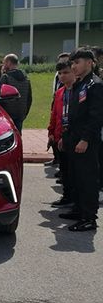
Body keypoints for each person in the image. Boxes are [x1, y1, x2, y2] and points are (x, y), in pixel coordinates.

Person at [58, 49, 103, 231]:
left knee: (87, 180)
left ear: (89, 63)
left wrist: (85, 139)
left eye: (77, 63)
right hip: (72, 139)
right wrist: (65, 136)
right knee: (75, 178)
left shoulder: (95, 85)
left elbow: (96, 117)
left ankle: (89, 218)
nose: (74, 66)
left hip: (85, 142)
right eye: (73, 63)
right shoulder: (80, 84)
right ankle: (78, 209)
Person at [48, 61, 75, 208]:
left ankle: (77, 200)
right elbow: (55, 114)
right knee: (64, 170)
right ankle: (67, 196)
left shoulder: (79, 91)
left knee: (74, 171)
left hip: (74, 138)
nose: (62, 76)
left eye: (66, 72)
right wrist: (51, 132)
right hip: (60, 137)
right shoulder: (60, 93)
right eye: (60, 73)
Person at [0, 54, 33, 132]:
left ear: (9, 63)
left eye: (4, 62)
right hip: (21, 113)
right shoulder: (26, 79)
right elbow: (29, 99)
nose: (3, 65)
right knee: (18, 136)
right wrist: (24, 113)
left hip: (8, 115)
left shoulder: (6, 77)